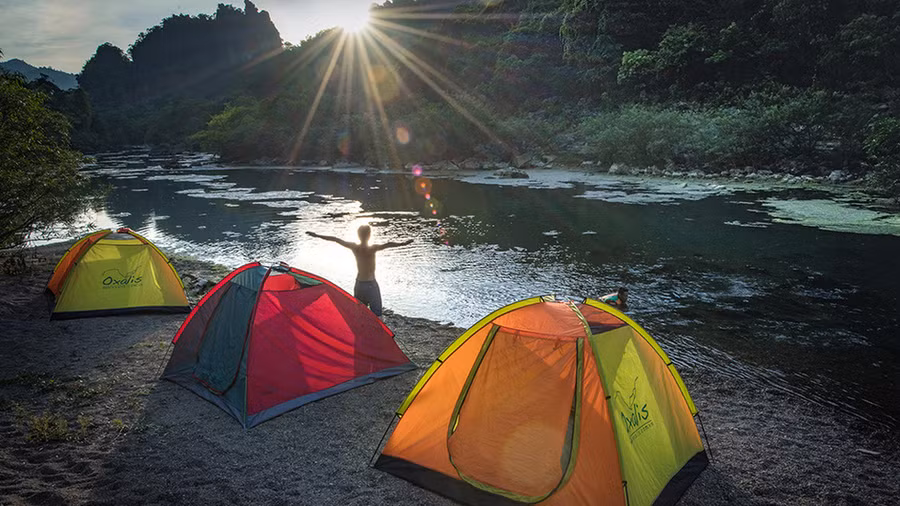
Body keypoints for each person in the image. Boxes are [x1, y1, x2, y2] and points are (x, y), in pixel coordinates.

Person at [306, 225, 412, 317]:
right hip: (371, 285)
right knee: (377, 314)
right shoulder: (373, 248)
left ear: (358, 235)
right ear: (369, 235)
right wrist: (403, 243)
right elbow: (388, 244)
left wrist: (317, 235)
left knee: (360, 313)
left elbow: (336, 239)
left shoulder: (354, 247)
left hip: (359, 284)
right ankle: (376, 337)